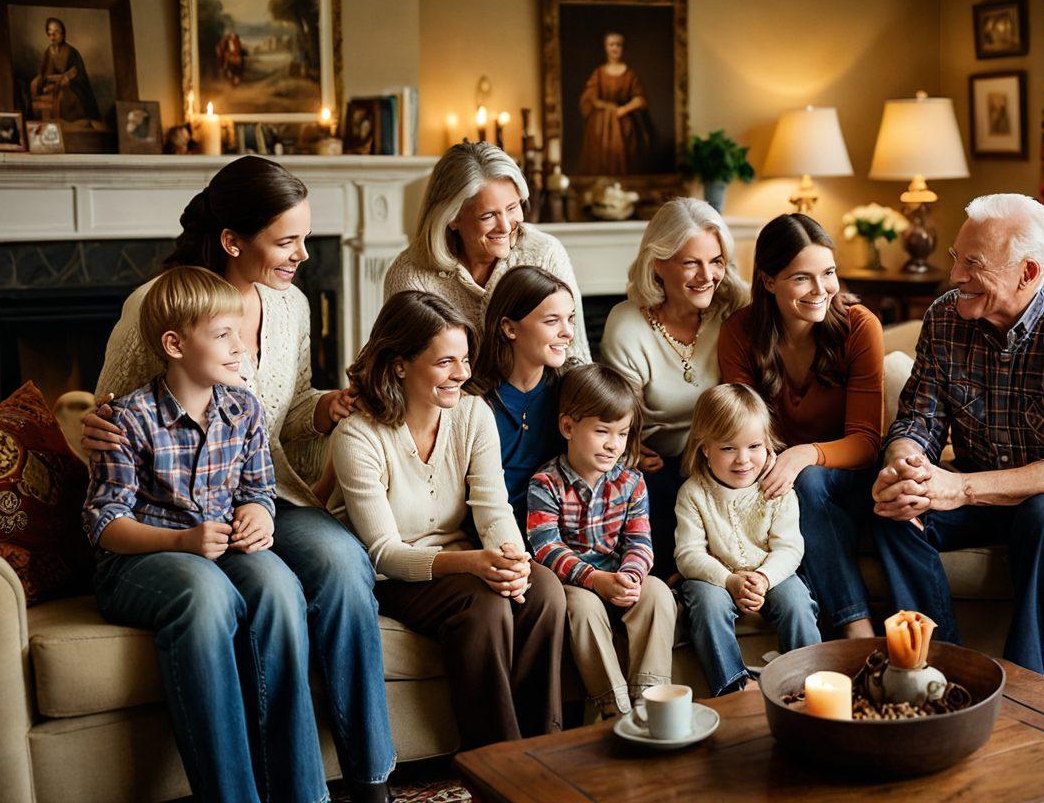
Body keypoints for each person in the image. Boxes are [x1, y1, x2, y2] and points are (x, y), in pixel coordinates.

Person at [83, 156, 395, 803]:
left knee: (343, 561)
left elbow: (289, 407)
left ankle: (370, 778)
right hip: (169, 512)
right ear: (233, 241)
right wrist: (93, 424)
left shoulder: (292, 307)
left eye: (305, 238)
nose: (303, 255)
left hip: (263, 491)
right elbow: (112, 413)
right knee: (270, 588)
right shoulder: (158, 306)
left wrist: (326, 408)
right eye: (287, 241)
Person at [83, 266, 325, 802]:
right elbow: (105, 525)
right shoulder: (127, 420)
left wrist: (260, 514)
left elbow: (258, 488)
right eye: (222, 334)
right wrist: (181, 542)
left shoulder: (244, 409)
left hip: (217, 546)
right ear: (175, 345)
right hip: (140, 559)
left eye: (240, 332)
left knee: (280, 587)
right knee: (207, 591)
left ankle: (301, 794)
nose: (240, 347)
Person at [871, 193, 1044, 675]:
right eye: (956, 257)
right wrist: (906, 466)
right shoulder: (945, 318)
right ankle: (943, 672)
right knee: (894, 508)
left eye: (973, 264)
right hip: (984, 488)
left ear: (1028, 272)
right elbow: (918, 422)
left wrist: (960, 487)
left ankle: (1025, 682)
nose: (955, 276)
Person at [329, 290, 566, 750]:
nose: (463, 373)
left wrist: (512, 560)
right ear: (400, 365)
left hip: (463, 561)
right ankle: (496, 762)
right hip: (394, 577)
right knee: (484, 605)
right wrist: (474, 563)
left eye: (465, 359)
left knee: (544, 591)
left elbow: (493, 507)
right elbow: (384, 553)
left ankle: (544, 751)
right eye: (445, 362)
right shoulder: (358, 436)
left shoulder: (473, 414)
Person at [718, 213, 884, 640]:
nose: (821, 289)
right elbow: (742, 428)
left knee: (808, 481)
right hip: (772, 478)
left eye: (828, 273)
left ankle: (857, 629)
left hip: (848, 480)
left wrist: (805, 455)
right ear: (768, 281)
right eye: (801, 278)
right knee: (794, 489)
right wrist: (783, 463)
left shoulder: (859, 327)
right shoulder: (739, 332)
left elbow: (867, 442)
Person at [600, 198, 749, 579]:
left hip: (723, 460)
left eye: (716, 261)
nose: (707, 276)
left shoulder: (734, 309)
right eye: (691, 263)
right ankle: (670, 586)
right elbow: (620, 419)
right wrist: (630, 449)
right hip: (658, 466)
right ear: (657, 264)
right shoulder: (627, 325)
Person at [527, 364, 677, 718]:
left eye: (622, 434)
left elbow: (640, 542)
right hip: (575, 584)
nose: (613, 444)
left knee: (658, 592)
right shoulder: (545, 484)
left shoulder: (631, 482)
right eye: (601, 431)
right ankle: (614, 708)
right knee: (584, 607)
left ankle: (651, 700)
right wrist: (595, 580)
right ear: (568, 427)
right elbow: (546, 548)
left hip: (618, 577)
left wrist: (630, 576)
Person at [674, 383, 821, 697]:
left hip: (770, 573)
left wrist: (764, 578)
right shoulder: (694, 493)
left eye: (754, 446)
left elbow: (789, 547)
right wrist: (729, 580)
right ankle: (734, 687)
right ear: (705, 448)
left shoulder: (777, 488)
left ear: (767, 443)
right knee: (707, 603)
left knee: (797, 600)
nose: (743, 459)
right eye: (728, 448)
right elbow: (688, 554)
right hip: (716, 579)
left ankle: (808, 683)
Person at [382, 141, 590, 361]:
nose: (505, 226)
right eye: (488, 216)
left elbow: (576, 357)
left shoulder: (545, 254)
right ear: (452, 218)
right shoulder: (411, 276)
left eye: (512, 208)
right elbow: (400, 368)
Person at [467, 265, 577, 528]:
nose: (568, 332)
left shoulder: (571, 392)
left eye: (570, 319)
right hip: (491, 534)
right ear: (509, 328)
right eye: (551, 321)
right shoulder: (472, 401)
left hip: (559, 534)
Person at [578, 31, 651, 175]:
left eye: (618, 45)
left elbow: (640, 99)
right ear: (606, 47)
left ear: (623, 48)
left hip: (624, 124)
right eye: (611, 44)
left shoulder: (630, 74)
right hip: (600, 126)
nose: (615, 48)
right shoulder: (599, 73)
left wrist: (624, 109)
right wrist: (607, 107)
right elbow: (589, 98)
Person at [30, 17, 101, 124]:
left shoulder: (72, 52)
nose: (53, 36)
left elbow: (78, 75)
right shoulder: (49, 51)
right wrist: (46, 81)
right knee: (36, 86)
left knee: (62, 95)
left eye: (56, 32)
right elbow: (45, 74)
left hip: (71, 88)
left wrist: (65, 79)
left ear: (63, 33)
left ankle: (61, 125)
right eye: (50, 33)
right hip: (53, 85)